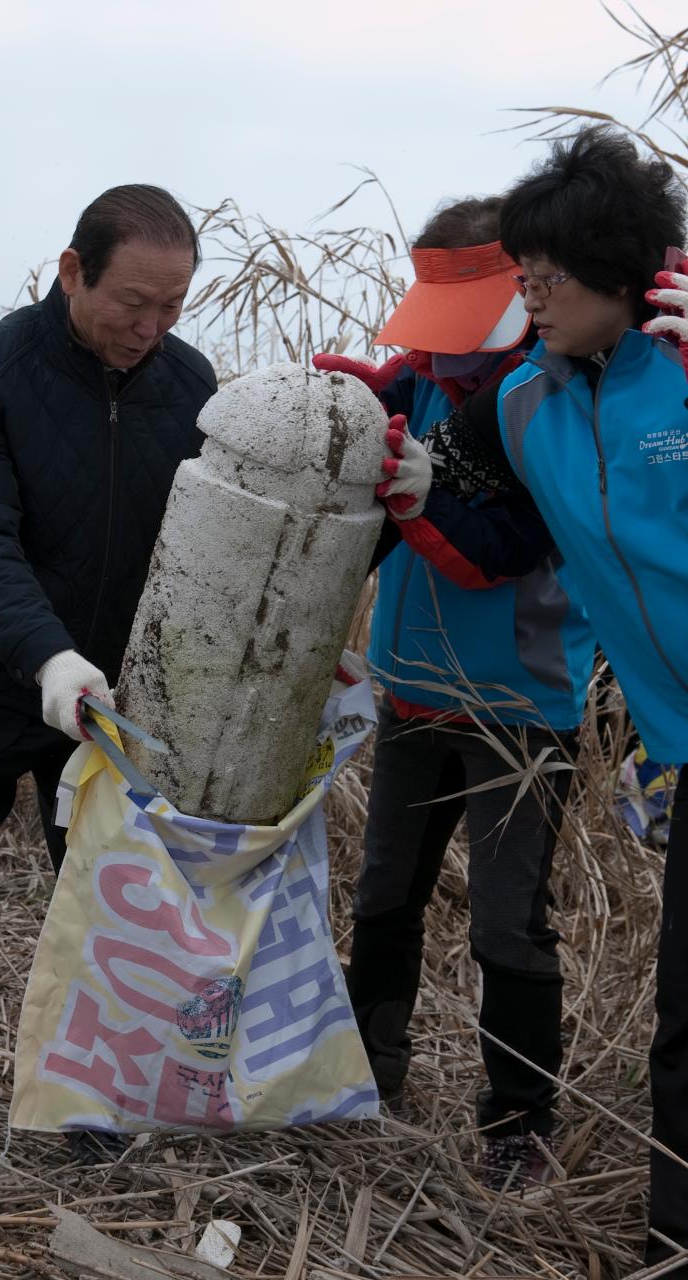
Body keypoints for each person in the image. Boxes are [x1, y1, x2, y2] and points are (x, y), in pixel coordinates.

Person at [0, 185, 217, 1216]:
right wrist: (46, 656)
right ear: (72, 271)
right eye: (131, 302)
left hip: (104, 699)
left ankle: (93, 1104)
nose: (150, 328)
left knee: (105, 899)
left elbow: (202, 549)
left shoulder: (189, 385)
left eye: (173, 305)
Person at [367, 128, 688, 1273]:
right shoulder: (521, 403)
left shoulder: (681, 369)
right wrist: (410, 483)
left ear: (618, 271)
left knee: (520, 929)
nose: (532, 296)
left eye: (547, 274)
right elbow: (484, 520)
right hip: (671, 742)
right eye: (525, 276)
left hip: (529, 711)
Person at [314, 198, 595, 1190]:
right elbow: (366, 527)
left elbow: (503, 553)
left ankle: (517, 1122)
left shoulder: (555, 402)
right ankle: (368, 1076)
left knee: (504, 922)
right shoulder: (421, 385)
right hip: (411, 698)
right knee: (383, 891)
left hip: (520, 709)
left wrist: (418, 493)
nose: (443, 354)